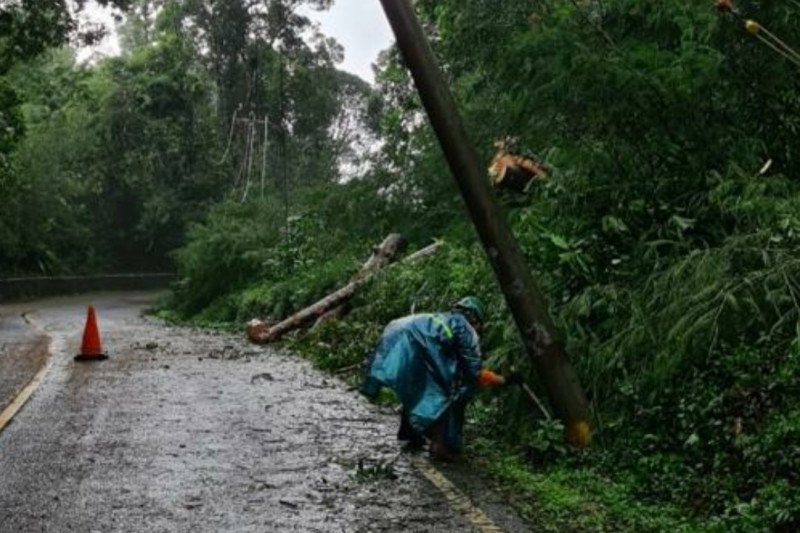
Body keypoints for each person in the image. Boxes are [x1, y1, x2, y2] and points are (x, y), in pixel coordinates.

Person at [361, 296, 522, 460]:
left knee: (416, 388)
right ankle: (440, 446)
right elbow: (474, 373)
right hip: (419, 343)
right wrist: (506, 380)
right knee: (446, 392)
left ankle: (411, 432)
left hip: (397, 330)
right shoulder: (466, 329)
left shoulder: (443, 319)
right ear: (474, 318)